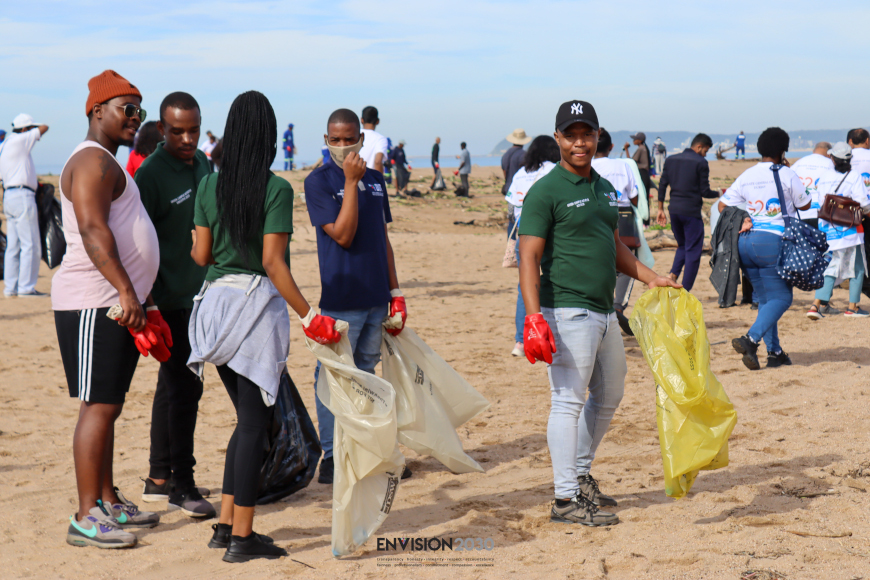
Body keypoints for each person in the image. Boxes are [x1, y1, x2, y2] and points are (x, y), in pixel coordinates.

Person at [189, 91, 339, 562]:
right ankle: (242, 539)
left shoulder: (210, 186)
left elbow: (199, 256)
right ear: (270, 138)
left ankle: (225, 525)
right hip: (254, 313)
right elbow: (274, 263)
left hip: (214, 311)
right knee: (255, 424)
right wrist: (309, 315)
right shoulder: (275, 189)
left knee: (245, 422)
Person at [519, 100, 681, 527]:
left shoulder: (604, 188)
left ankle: (579, 473)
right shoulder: (545, 191)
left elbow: (613, 247)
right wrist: (534, 318)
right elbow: (528, 259)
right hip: (566, 311)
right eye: (570, 135)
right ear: (557, 138)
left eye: (586, 134)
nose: (579, 142)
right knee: (568, 401)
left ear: (596, 136)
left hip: (604, 311)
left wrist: (650, 277)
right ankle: (564, 499)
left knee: (609, 394)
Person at [52, 69, 164, 549]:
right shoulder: (93, 163)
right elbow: (94, 229)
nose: (136, 119)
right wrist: (126, 291)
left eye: (140, 110)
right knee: (96, 408)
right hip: (93, 303)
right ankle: (85, 515)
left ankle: (106, 499)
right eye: (127, 109)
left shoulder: (106, 162)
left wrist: (139, 294)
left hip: (114, 304)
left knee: (108, 406)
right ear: (97, 111)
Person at [304, 108, 407, 484]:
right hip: (341, 299)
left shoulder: (377, 180)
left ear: (362, 139)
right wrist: (350, 182)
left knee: (368, 376)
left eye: (350, 138)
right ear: (326, 140)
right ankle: (331, 455)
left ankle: (366, 448)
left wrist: (396, 292)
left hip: (377, 296)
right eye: (336, 139)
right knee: (333, 379)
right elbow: (343, 235)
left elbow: (382, 238)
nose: (343, 145)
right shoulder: (318, 182)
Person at [134, 91, 215, 519]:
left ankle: (157, 478)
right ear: (161, 129)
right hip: (167, 301)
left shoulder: (203, 163)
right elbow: (136, 244)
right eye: (177, 131)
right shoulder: (149, 176)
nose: (186, 138)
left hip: (202, 294)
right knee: (186, 389)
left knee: (172, 387)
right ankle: (183, 483)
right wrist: (148, 304)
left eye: (193, 130)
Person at [720, 127, 812, 370]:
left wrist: (743, 219)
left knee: (766, 300)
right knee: (782, 297)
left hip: (746, 242)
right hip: (773, 241)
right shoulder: (786, 173)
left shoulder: (747, 174)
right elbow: (806, 204)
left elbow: (722, 206)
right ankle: (750, 339)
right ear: (783, 151)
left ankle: (775, 352)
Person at [504, 135, 560, 357]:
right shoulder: (554, 170)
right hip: (549, 236)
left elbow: (510, 210)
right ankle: (551, 334)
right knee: (554, 281)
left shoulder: (521, 173)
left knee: (525, 287)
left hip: (523, 235)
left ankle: (521, 340)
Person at [806, 142, 870, 319]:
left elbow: (820, 200)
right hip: (850, 229)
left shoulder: (824, 176)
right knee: (857, 267)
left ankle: (816, 305)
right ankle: (852, 307)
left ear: (832, 158)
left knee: (830, 265)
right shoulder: (854, 176)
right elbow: (863, 203)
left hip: (828, 228)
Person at [656, 133, 719, 291]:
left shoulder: (671, 159)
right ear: (699, 147)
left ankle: (673, 274)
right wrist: (719, 193)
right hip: (691, 211)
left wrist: (660, 209)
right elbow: (705, 191)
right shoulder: (701, 162)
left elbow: (662, 185)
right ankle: (685, 288)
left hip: (674, 210)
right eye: (705, 150)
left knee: (683, 245)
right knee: (694, 250)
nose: (705, 154)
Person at [0, 113, 49, 297]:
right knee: (30, 244)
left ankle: (10, 287)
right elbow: (44, 127)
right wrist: (31, 130)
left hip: (9, 195)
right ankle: (26, 288)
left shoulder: (4, 146)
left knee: (14, 246)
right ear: (25, 130)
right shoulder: (19, 140)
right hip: (22, 195)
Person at [592, 128, 639, 317]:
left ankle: (600, 304)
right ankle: (618, 305)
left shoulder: (588, 166)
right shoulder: (622, 166)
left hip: (597, 216)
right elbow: (634, 197)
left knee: (599, 260)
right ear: (611, 147)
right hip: (624, 215)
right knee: (627, 263)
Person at [847, 128, 870, 299]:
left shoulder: (846, 159)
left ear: (851, 142)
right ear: (867, 141)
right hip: (868, 208)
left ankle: (860, 281)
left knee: (856, 248)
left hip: (849, 210)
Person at [790, 142, 833, 230]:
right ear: (829, 154)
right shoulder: (830, 163)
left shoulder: (798, 163)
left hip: (800, 213)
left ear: (813, 151)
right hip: (822, 214)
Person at [359, 106, 389, 174]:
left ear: (361, 120)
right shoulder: (380, 139)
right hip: (370, 180)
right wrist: (379, 181)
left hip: (351, 178)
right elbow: (378, 161)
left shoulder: (353, 135)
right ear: (378, 121)